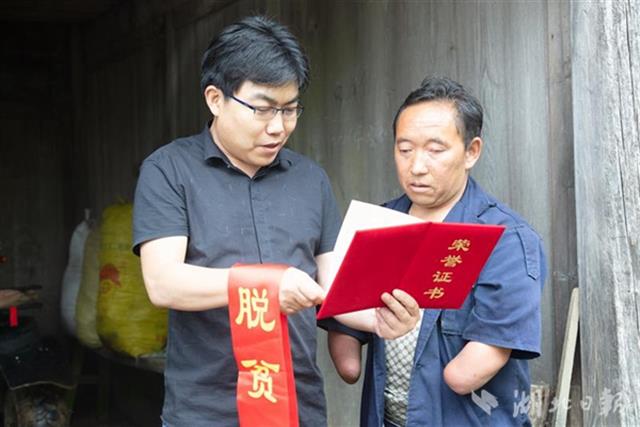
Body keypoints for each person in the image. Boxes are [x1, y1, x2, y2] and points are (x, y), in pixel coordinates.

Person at [132, 15, 419, 427]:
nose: (278, 127)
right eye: (263, 109)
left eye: (289, 109)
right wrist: (265, 286)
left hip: (297, 407)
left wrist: (377, 318)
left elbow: (334, 288)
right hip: (206, 412)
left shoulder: (310, 179)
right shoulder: (169, 170)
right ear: (215, 99)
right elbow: (164, 282)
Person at [325, 76, 546, 426]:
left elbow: (466, 373)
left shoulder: (507, 240)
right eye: (405, 149)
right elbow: (346, 348)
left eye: (435, 150)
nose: (416, 166)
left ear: (471, 152)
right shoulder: (377, 224)